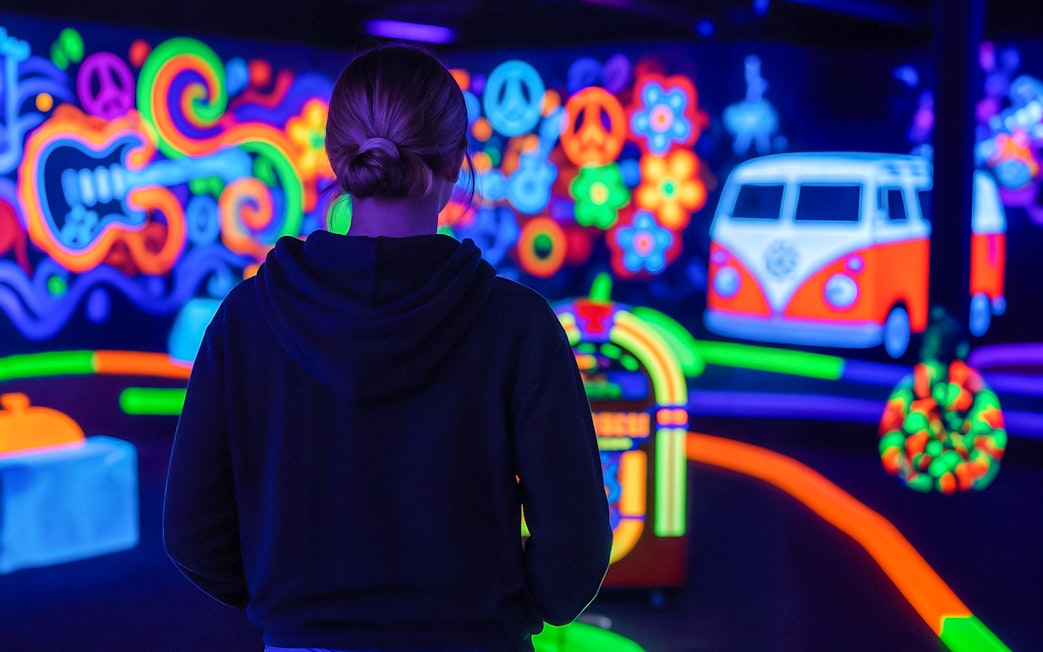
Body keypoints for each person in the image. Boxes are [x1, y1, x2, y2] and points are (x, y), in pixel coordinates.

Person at [163, 44, 612, 652]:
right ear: (458, 162)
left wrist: (297, 606)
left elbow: (192, 532)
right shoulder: (519, 325)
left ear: (337, 158)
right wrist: (500, 608)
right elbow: (576, 549)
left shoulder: (245, 320)